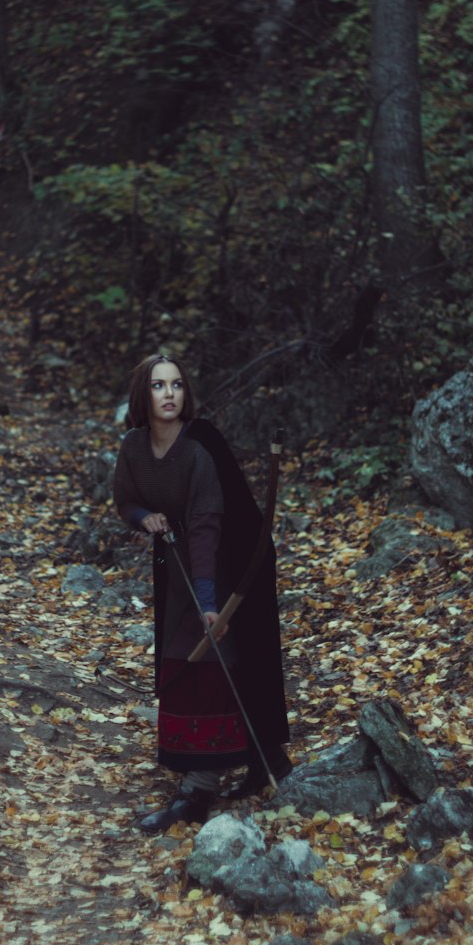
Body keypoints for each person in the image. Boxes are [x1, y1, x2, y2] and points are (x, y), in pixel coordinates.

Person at [113, 353, 291, 833]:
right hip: (177, 566)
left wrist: (211, 603)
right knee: (183, 658)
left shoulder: (199, 449)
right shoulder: (134, 447)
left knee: (215, 659)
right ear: (142, 395)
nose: (169, 394)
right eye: (157, 385)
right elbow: (124, 498)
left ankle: (199, 789)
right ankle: (263, 761)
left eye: (176, 385)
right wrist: (141, 518)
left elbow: (209, 527)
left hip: (228, 563)